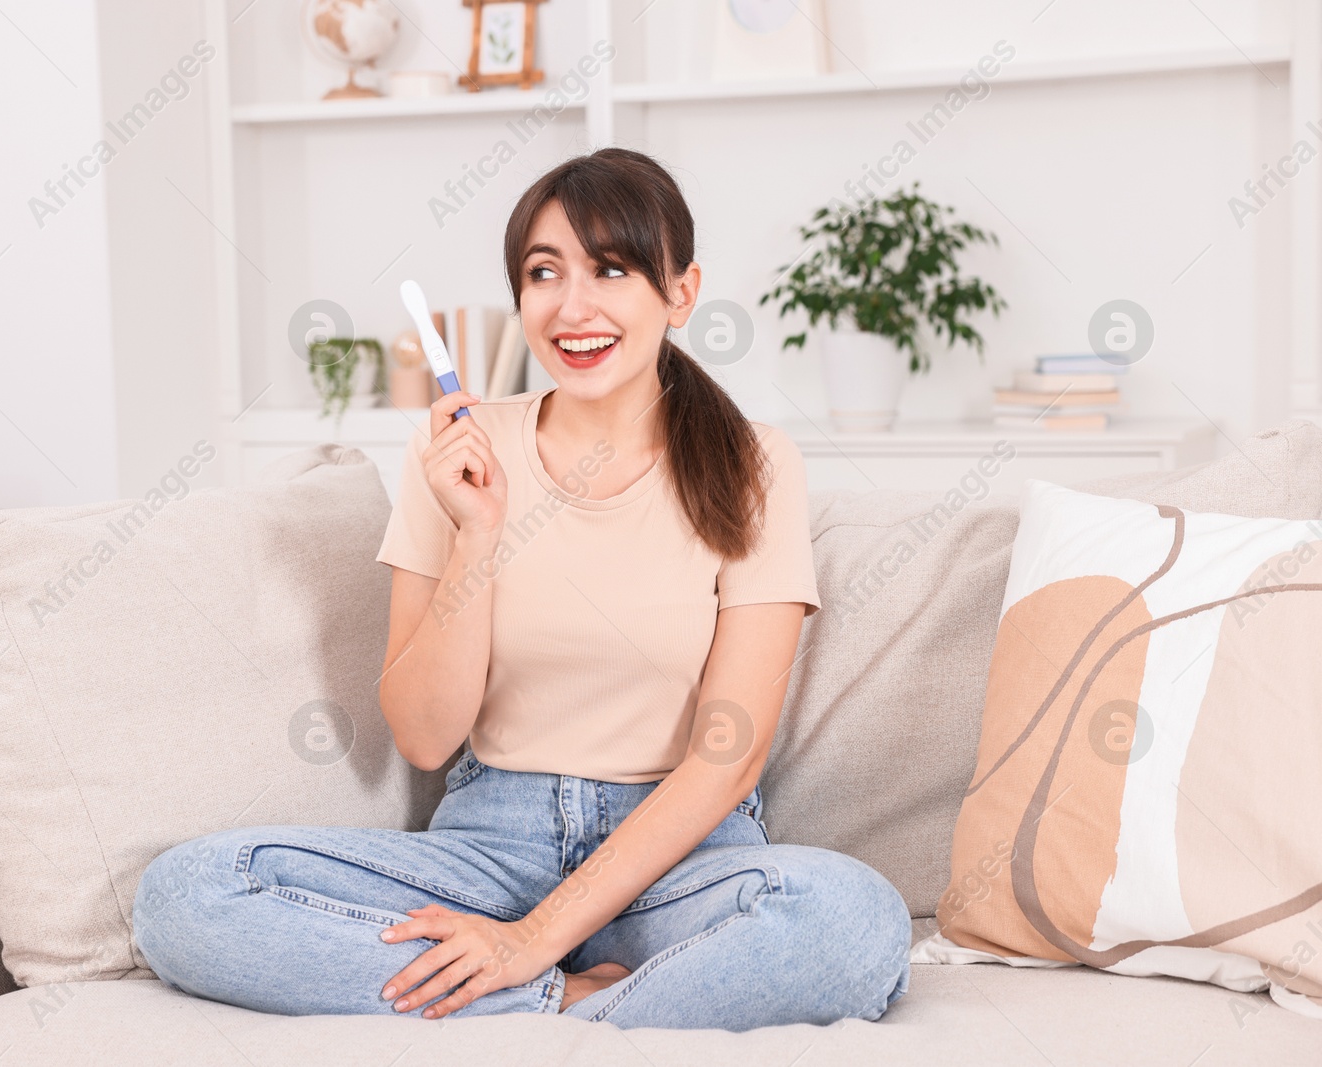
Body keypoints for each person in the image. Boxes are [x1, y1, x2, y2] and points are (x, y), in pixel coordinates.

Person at [132, 147, 910, 1031]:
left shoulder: (754, 461)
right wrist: (480, 532)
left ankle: (512, 996)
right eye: (544, 273)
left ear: (682, 292)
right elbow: (425, 737)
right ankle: (575, 1005)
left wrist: (533, 937)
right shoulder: (461, 453)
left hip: (675, 857)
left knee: (855, 923)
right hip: (492, 842)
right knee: (188, 892)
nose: (572, 306)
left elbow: (728, 755)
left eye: (611, 269)